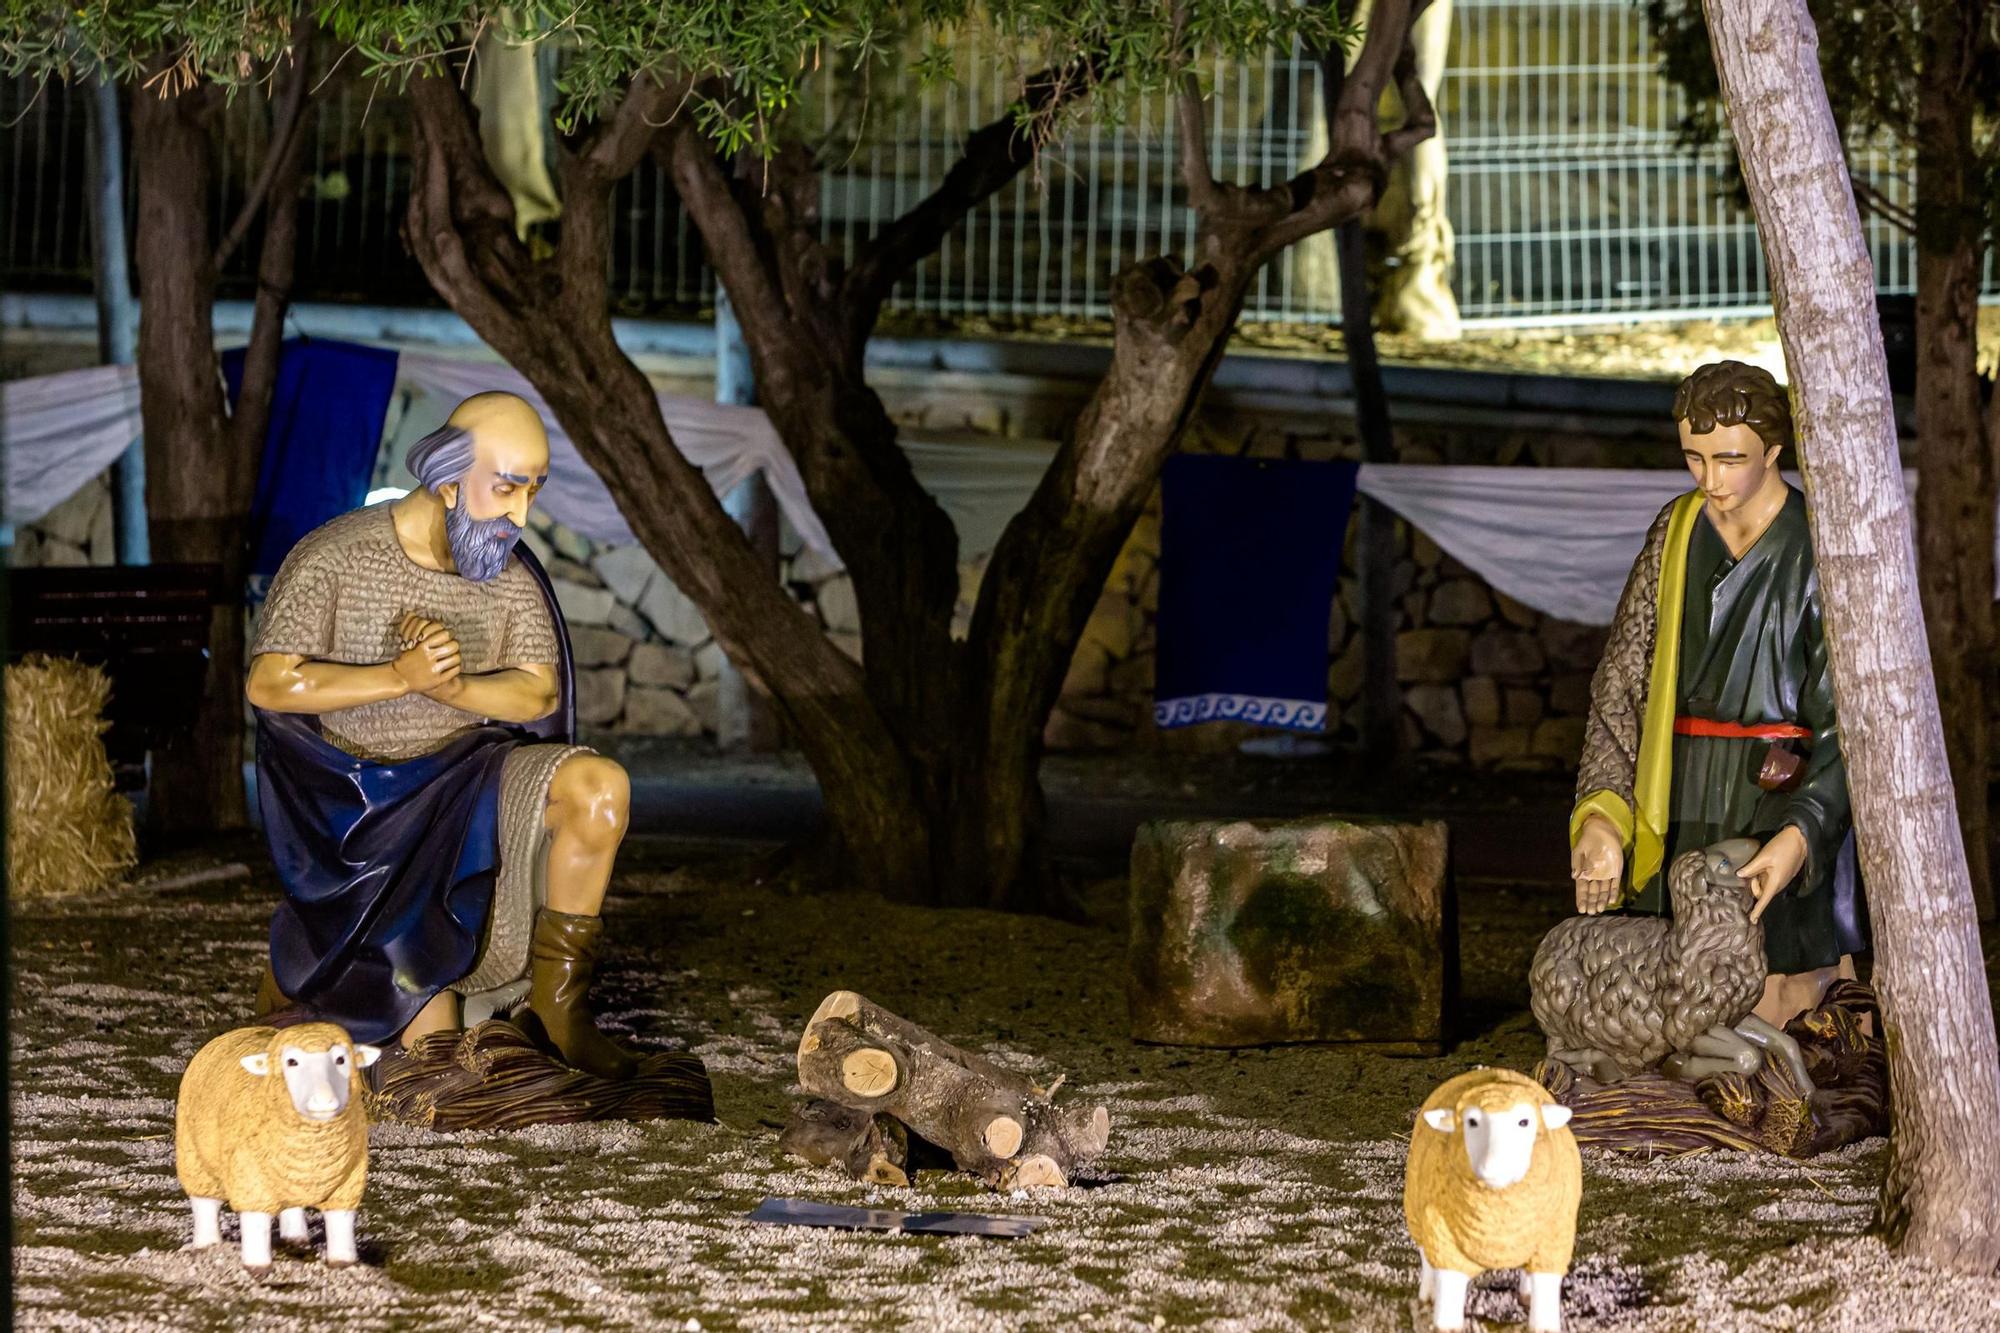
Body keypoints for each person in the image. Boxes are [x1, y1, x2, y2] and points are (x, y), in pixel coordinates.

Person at [247, 391, 639, 1080]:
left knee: (598, 789)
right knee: (431, 1048)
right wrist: (396, 676)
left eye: (532, 492)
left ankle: (558, 1010)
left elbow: (539, 690)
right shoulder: (336, 559)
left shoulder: (505, 573)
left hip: (470, 784)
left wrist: (453, 689)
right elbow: (271, 682)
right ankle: (314, 973)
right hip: (359, 807)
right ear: (450, 479)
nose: (520, 516)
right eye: (507, 489)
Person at [1568, 360, 1864, 1027]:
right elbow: (1622, 686)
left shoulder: (1822, 547)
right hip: (1678, 785)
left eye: (1730, 459)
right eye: (1694, 458)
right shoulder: (1674, 535)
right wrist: (1603, 817)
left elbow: (1850, 725)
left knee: (1785, 987)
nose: (1711, 480)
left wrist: (1802, 833)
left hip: (1782, 789)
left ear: (1774, 451)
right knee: (1677, 976)